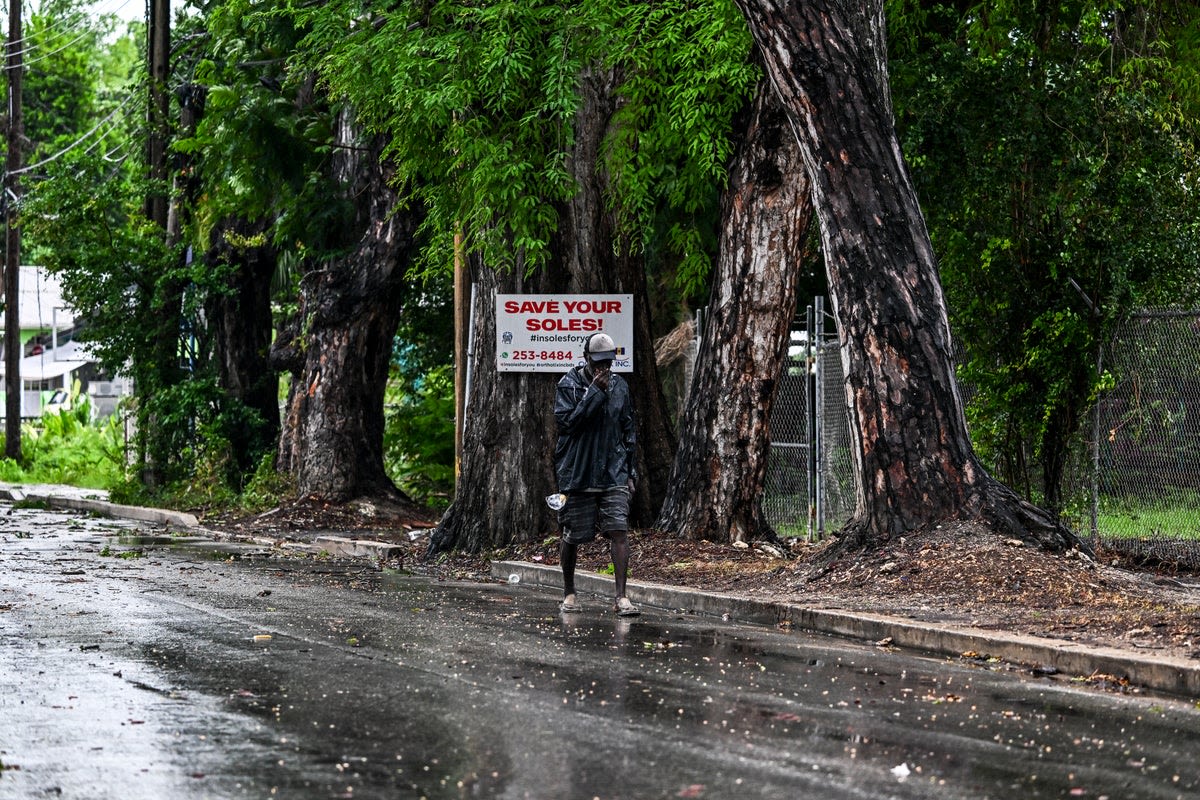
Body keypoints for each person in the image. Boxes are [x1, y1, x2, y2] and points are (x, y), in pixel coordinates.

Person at [553, 332, 640, 616]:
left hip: (613, 471)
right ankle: (569, 593)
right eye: (598, 361)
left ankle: (621, 597)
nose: (604, 368)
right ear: (586, 358)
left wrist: (630, 472)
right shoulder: (569, 384)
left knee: (619, 530)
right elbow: (568, 425)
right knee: (573, 534)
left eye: (609, 362)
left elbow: (628, 430)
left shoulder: (620, 387)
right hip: (578, 472)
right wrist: (594, 393)